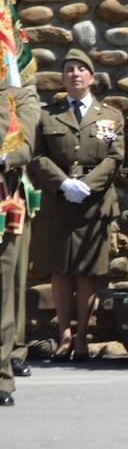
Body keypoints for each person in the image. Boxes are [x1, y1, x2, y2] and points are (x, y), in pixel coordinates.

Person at [29, 49, 123, 363]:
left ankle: (82, 336)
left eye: (82, 69)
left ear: (92, 77)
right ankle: (63, 338)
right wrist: (63, 184)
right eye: (69, 69)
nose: (75, 74)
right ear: (63, 77)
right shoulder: (48, 115)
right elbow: (38, 156)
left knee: (86, 274)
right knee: (59, 272)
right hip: (57, 203)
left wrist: (88, 186)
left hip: (93, 205)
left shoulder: (109, 116)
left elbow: (113, 158)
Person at [0, 75, 41, 401]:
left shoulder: (18, 92)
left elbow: (23, 145)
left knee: (4, 292)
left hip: (4, 203)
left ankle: (2, 376)